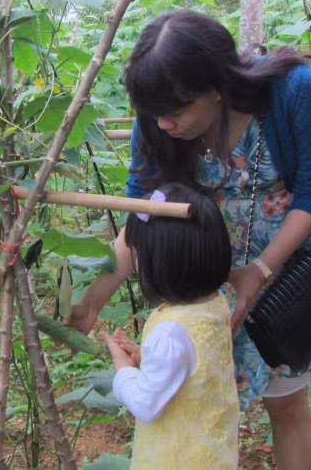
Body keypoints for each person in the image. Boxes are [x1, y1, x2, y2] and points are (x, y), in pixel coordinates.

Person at [70, 10, 311, 470]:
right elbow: (143, 212)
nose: (164, 125)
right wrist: (92, 300)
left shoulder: (294, 92)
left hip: (284, 263)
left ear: (217, 85)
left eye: (176, 112)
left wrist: (260, 270)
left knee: (287, 403)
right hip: (201, 277)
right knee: (199, 397)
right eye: (155, 114)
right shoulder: (158, 118)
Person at [97, 182, 238, 469]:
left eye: (138, 254)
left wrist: (123, 370)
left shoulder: (171, 331)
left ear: (159, 263)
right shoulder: (214, 304)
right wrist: (147, 359)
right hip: (213, 454)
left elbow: (146, 404)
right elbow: (195, 367)